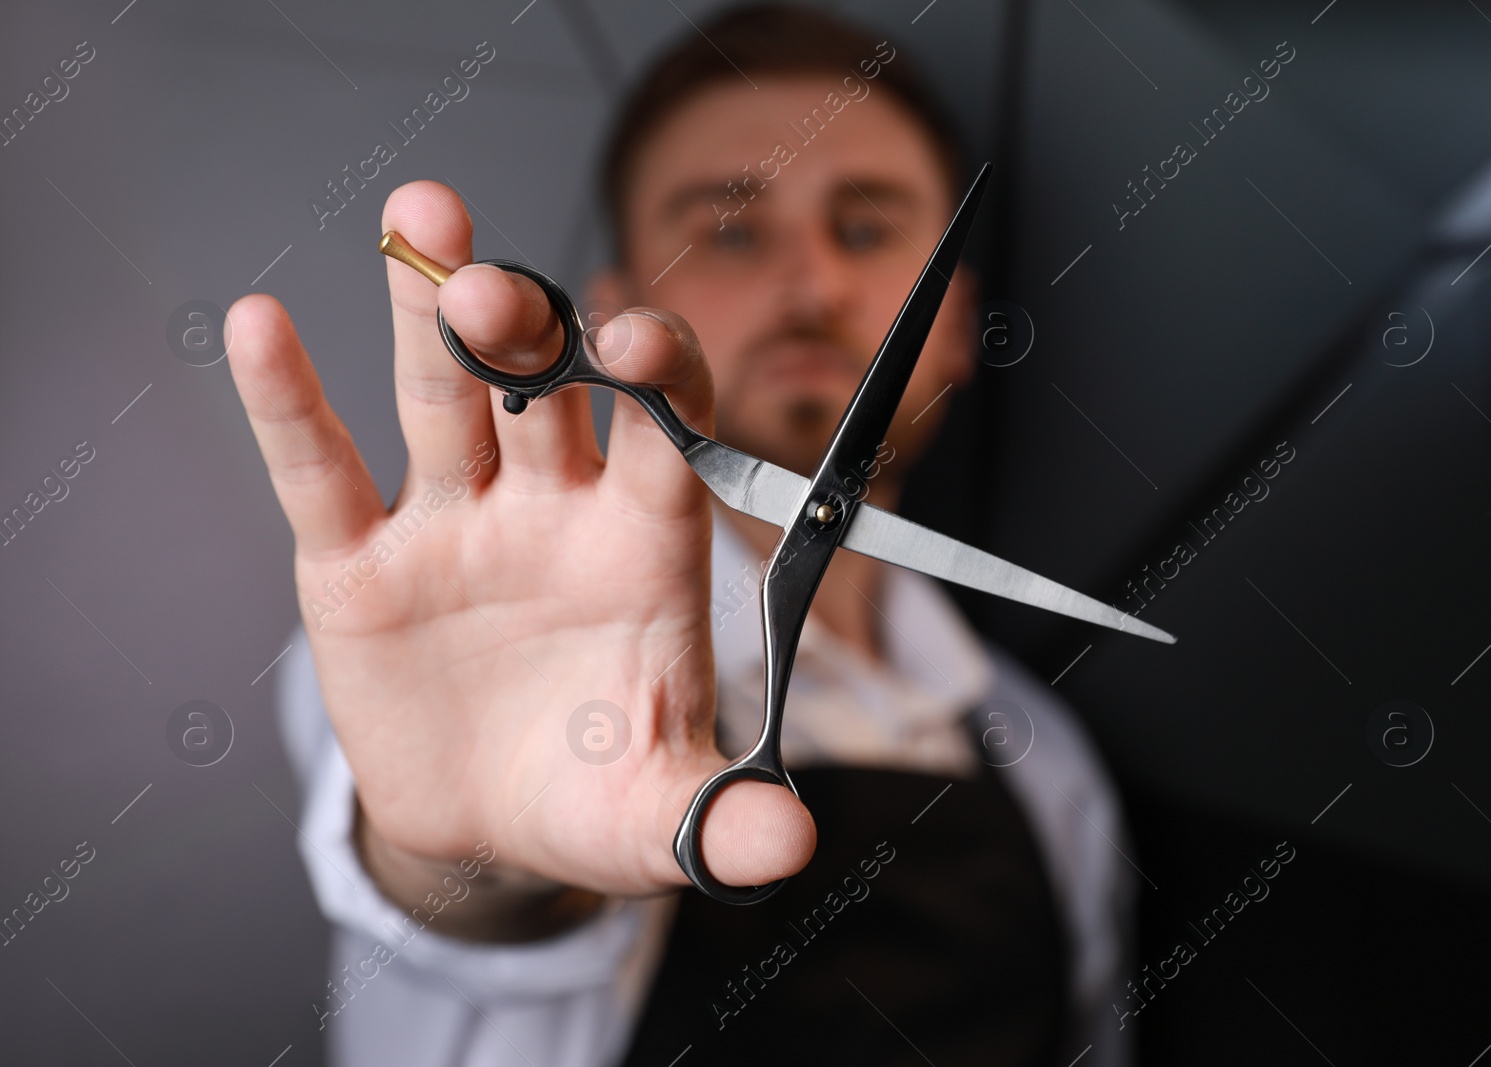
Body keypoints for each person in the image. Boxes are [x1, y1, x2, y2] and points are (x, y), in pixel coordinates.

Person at [226, 6, 1134, 1065]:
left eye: (869, 226)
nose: (813, 284)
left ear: (957, 318)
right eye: (732, 229)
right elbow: (470, 912)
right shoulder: (458, 633)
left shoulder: (1047, 767)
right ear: (614, 310)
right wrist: (473, 865)